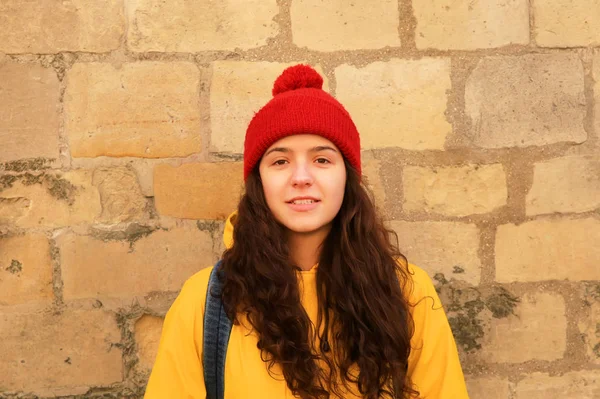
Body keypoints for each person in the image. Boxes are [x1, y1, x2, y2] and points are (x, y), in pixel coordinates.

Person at [144, 64, 469, 398]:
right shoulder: (206, 303)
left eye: (322, 160)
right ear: (259, 182)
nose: (301, 177)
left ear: (348, 177)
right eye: (280, 161)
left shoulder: (407, 294)